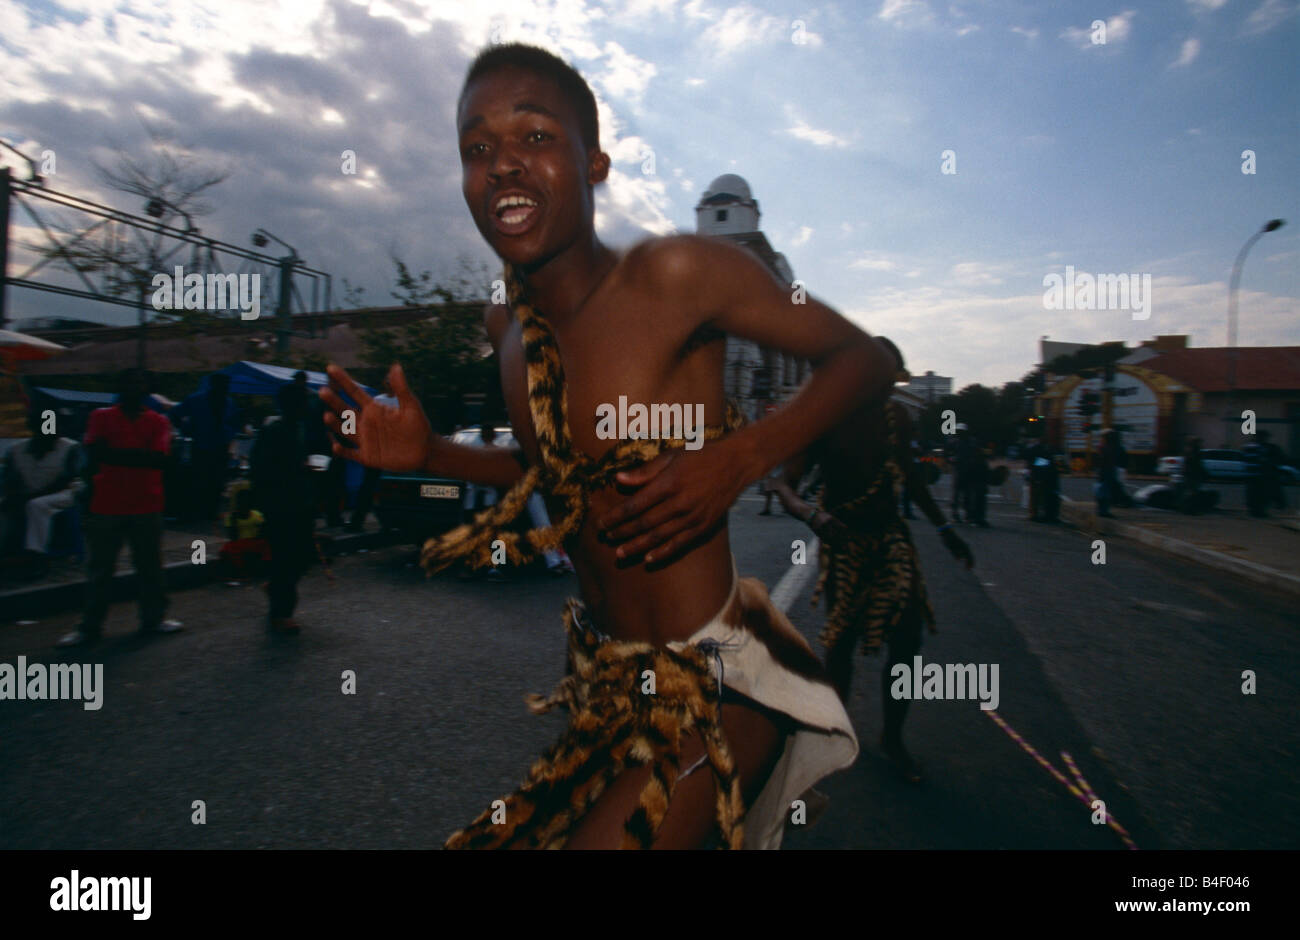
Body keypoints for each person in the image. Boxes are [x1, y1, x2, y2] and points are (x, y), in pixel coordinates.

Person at [322, 42, 894, 849]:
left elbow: (867, 359)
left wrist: (738, 457)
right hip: (609, 690)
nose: (503, 166)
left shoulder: (679, 275)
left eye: (535, 137)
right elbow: (552, 473)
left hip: (718, 683)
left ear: (593, 163)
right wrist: (433, 457)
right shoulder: (509, 333)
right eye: (477, 148)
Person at [766, 337, 973, 783]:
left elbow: (912, 480)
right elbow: (784, 486)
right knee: (842, 641)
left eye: (892, 381)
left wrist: (946, 531)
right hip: (844, 543)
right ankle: (833, 731)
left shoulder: (896, 418)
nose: (887, 390)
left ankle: (892, 738)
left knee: (908, 636)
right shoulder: (824, 420)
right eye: (880, 380)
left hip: (891, 541)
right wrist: (811, 513)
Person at [58, 369, 182, 646]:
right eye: (130, 383)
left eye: (140, 383)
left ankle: (153, 619)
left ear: (148, 389)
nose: (135, 388)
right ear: (120, 387)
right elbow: (99, 454)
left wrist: (115, 456)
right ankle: (89, 627)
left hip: (145, 502)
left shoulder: (158, 422)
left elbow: (159, 460)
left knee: (149, 567)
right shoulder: (101, 417)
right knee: (100, 569)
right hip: (108, 502)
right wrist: (141, 457)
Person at [251, 381, 319, 633]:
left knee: (301, 556)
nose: (308, 406)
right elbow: (264, 468)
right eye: (304, 402)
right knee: (285, 559)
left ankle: (275, 589)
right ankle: (281, 613)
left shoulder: (297, 428)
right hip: (282, 505)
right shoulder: (276, 430)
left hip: (300, 502)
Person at [1, 405, 84, 572]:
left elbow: (66, 480)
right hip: (30, 493)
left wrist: (28, 497)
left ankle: (36, 556)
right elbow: (9, 481)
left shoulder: (70, 448)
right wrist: (12, 496)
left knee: (37, 505)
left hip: (66, 493)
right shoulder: (17, 450)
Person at [169, 372, 240, 523]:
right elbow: (174, 414)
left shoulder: (229, 403)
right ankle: (195, 513)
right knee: (199, 480)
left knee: (217, 482)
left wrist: (229, 436)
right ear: (213, 384)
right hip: (201, 446)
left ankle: (210, 513)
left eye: (226, 385)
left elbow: (236, 423)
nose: (224, 388)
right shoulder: (196, 400)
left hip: (221, 448)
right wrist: (187, 429)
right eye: (221, 384)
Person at [346, 378, 398, 532]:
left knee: (387, 486)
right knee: (368, 485)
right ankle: (358, 521)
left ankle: (388, 522)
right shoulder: (378, 400)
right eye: (388, 383)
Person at [218, 485, 269, 583]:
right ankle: (238, 573)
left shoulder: (256, 515)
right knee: (228, 550)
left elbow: (263, 533)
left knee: (266, 545)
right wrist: (235, 520)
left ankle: (264, 570)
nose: (243, 505)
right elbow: (233, 536)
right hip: (240, 543)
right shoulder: (232, 517)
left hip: (255, 542)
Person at [1177, 437, 1206, 514]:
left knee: (1189, 491)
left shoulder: (1188, 451)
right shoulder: (1194, 452)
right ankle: (1189, 509)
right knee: (1191, 492)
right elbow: (1196, 464)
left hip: (1190, 475)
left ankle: (1187, 508)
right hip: (1192, 475)